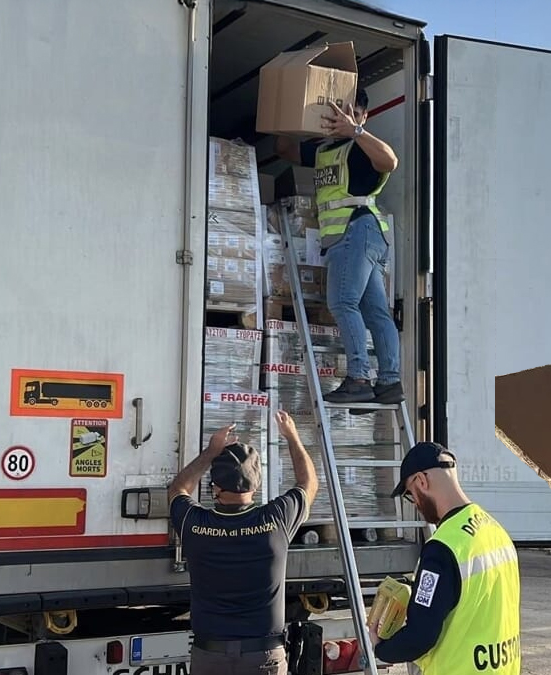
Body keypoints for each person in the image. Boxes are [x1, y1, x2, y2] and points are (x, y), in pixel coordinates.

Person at [276, 87, 403, 406]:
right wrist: (294, 113)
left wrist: (356, 131)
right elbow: (285, 149)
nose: (345, 119)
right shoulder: (324, 150)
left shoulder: (361, 147)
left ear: (364, 115)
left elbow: (390, 160)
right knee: (374, 312)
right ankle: (389, 382)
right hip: (352, 237)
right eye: (340, 113)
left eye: (353, 113)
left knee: (343, 303)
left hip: (357, 230)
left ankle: (359, 377)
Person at [167, 412, 317, 675]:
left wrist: (210, 452)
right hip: (263, 656)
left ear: (214, 487)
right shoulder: (276, 521)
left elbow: (177, 489)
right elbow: (308, 484)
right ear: (256, 484)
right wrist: (292, 436)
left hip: (209, 656)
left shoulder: (195, 524)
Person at [368, 442, 521, 674]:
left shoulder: (443, 548)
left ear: (422, 481)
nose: (416, 504)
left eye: (411, 494)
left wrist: (382, 649)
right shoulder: (496, 530)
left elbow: (421, 636)